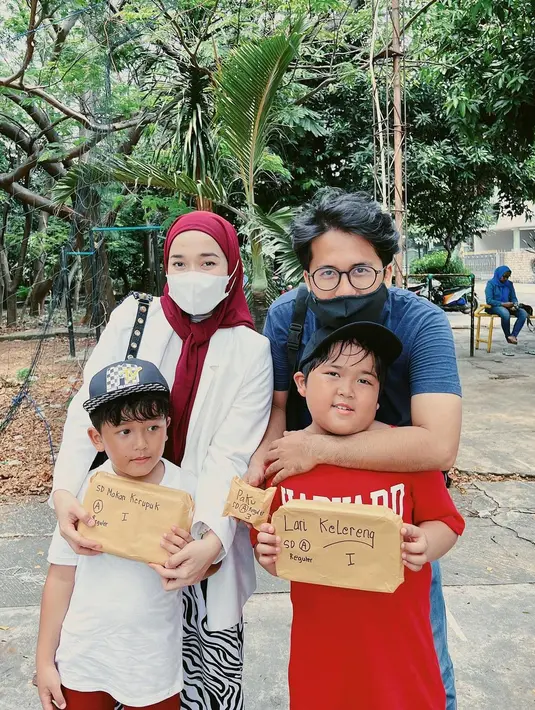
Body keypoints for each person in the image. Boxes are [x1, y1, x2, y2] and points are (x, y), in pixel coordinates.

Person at [246, 189, 462, 708]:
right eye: (328, 274)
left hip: (397, 499)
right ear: (307, 276)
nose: (345, 286)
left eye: (361, 271)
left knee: (418, 659)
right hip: (317, 517)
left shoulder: (421, 323)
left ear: (386, 269)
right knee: (330, 662)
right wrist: (260, 481)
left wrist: (318, 450)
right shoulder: (286, 318)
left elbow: (438, 445)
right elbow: (277, 413)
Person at [49, 212, 273, 709]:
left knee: (194, 689)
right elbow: (87, 405)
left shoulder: (251, 350)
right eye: (180, 262)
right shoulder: (135, 318)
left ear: (231, 268)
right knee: (97, 667)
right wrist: (65, 491)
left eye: (208, 261)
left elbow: (228, 455)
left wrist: (211, 540)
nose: (192, 274)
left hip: (188, 536)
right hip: (113, 520)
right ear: (165, 266)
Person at [37, 359, 207, 710]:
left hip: (152, 664)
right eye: (124, 431)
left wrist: (195, 557)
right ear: (97, 438)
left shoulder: (187, 489)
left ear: (168, 426)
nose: (141, 444)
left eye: (152, 428)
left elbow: (212, 562)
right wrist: (44, 661)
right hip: (84, 657)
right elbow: (60, 576)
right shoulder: (82, 492)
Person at [485, 265, 528, 344]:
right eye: (504, 276)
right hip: (494, 306)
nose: (505, 279)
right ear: (499, 274)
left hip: (508, 307)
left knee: (523, 313)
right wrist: (503, 304)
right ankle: (508, 336)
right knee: (505, 313)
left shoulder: (509, 284)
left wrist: (514, 305)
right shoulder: (491, 283)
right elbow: (489, 300)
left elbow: (513, 297)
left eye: (507, 277)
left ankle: (513, 335)